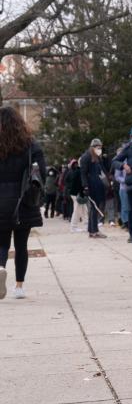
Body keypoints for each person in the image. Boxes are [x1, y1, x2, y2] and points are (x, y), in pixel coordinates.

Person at [0, 106, 47, 300]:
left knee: (1, 243)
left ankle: (1, 267)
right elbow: (41, 173)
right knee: (21, 245)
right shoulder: (31, 146)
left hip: (0, 202)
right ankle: (19, 287)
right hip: (23, 201)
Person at [78, 138, 108, 238]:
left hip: (98, 185)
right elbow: (83, 173)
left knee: (95, 208)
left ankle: (92, 230)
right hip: (91, 186)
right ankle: (94, 230)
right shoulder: (86, 157)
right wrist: (85, 186)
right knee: (94, 208)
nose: (99, 149)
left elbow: (102, 171)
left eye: (100, 147)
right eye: (98, 147)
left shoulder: (97, 157)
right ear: (93, 147)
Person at [65, 159, 85, 232]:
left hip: (78, 193)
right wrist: (80, 193)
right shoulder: (77, 172)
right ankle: (73, 227)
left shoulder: (78, 171)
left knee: (84, 209)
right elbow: (76, 184)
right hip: (76, 194)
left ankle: (86, 224)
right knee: (77, 210)